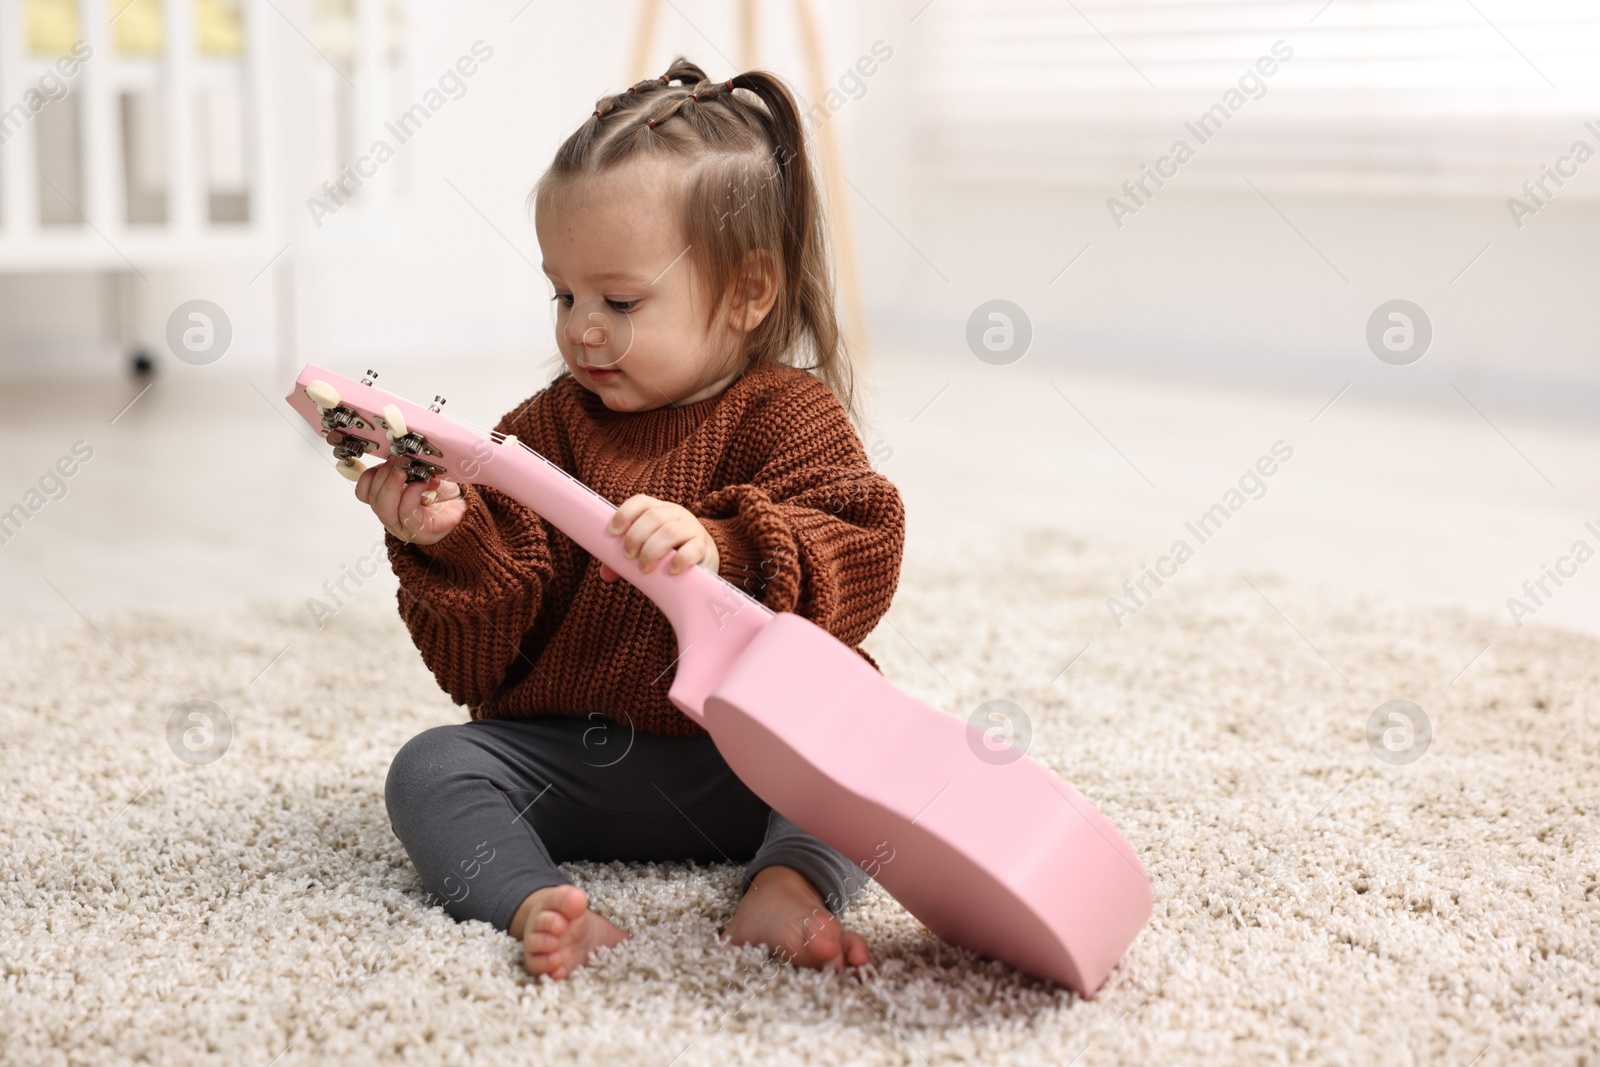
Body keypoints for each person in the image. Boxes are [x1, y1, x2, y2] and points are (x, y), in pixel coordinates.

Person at [355, 58, 906, 981]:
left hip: (746, 765)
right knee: (429, 769)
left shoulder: (787, 414)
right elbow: (479, 661)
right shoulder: (542, 429)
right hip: (573, 761)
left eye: (619, 300)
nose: (581, 330)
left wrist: (722, 546)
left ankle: (790, 884)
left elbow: (858, 546)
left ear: (748, 292)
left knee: (878, 735)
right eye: (563, 294)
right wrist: (449, 541)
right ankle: (536, 900)